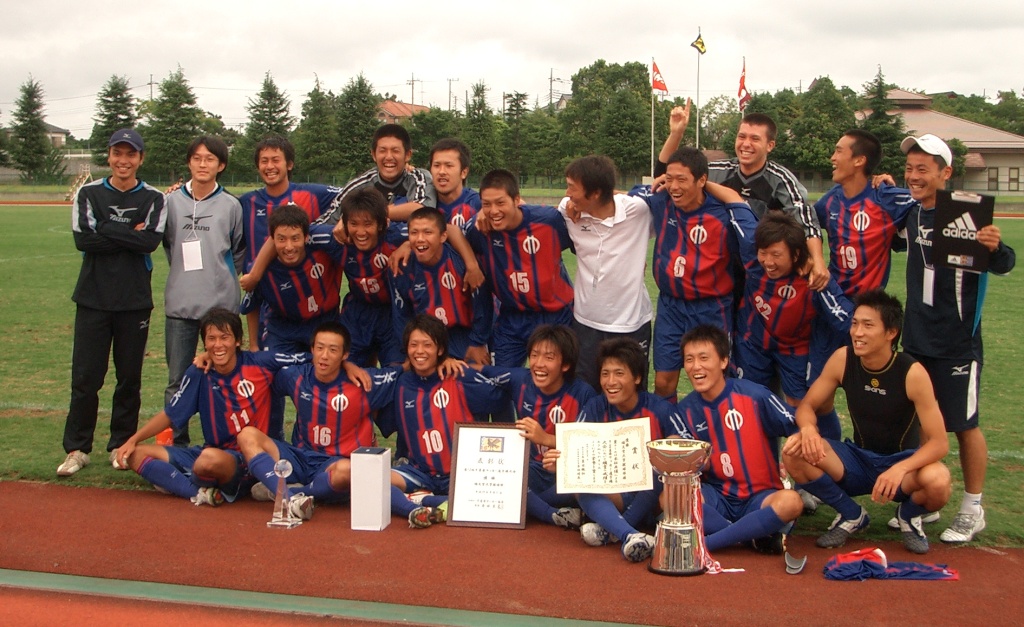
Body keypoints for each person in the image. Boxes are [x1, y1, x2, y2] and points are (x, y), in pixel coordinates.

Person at [895, 134, 1015, 543]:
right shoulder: (910, 214)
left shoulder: (966, 213)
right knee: (920, 424)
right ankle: (927, 500)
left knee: (964, 425)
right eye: (910, 169)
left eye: (923, 169)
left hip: (957, 341)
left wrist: (995, 248)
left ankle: (973, 508)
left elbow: (1005, 261)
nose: (914, 176)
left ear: (945, 173)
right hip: (915, 338)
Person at [782, 290, 951, 554]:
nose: (857, 332)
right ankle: (851, 514)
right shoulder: (843, 358)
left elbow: (940, 444)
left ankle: (908, 516)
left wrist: (900, 468)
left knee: (939, 480)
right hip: (857, 460)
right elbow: (807, 406)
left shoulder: (912, 373)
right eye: (855, 324)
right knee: (794, 451)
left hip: (901, 467)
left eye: (868, 325)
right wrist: (808, 429)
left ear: (891, 332)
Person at [112, 308, 306, 507]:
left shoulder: (261, 364)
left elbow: (306, 358)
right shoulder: (198, 372)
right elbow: (171, 413)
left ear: (238, 340)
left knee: (207, 462)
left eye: (225, 337)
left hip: (244, 458)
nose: (218, 345)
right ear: (205, 343)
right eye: (211, 339)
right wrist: (133, 440)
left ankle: (182, 483)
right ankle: (200, 492)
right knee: (136, 455)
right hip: (210, 450)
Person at [59, 128, 167, 477]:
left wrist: (106, 228)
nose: (124, 161)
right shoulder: (89, 193)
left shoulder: (153, 198)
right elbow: (83, 241)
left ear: (140, 158)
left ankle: (121, 445)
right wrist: (127, 233)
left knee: (129, 379)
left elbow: (149, 242)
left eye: (130, 154)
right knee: (86, 378)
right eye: (117, 154)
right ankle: (77, 449)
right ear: (109, 156)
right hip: (93, 298)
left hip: (134, 301)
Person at [656, 101, 828, 289]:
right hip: (720, 267)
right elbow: (666, 175)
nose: (746, 144)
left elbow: (807, 222)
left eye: (755, 139)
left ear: (770, 145)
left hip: (760, 270)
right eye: (741, 137)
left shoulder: (781, 180)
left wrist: (817, 260)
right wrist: (676, 134)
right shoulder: (718, 170)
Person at [236, 321, 401, 517]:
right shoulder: (294, 376)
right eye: (320, 348)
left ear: (345, 355)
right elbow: (251, 363)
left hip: (334, 464)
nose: (324, 356)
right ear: (312, 349)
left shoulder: (363, 381)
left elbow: (407, 370)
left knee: (349, 470)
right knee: (247, 435)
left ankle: (293, 492)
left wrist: (445, 361)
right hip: (299, 458)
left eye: (333, 350)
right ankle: (290, 495)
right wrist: (210, 356)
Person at [630, 150, 758, 401]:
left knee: (714, 380)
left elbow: (753, 243)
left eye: (682, 180)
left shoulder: (723, 213)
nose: (674, 187)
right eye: (670, 179)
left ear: (701, 180)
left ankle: (718, 435)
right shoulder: (662, 200)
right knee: (665, 381)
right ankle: (669, 437)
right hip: (671, 307)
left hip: (711, 307)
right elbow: (620, 199)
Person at [669, 324, 803, 554]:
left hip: (760, 497)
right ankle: (749, 536)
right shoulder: (684, 412)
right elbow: (694, 467)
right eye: (689, 360)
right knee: (671, 497)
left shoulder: (754, 395)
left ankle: (710, 542)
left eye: (703, 358)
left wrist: (793, 448)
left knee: (792, 502)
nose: (696, 366)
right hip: (718, 497)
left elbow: (797, 426)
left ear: (723, 361)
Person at [562, 339, 687, 563]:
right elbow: (574, 449)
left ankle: (613, 530)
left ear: (637, 377)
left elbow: (687, 449)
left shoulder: (661, 409)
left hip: (654, 498)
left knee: (660, 463)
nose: (610, 381)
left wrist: (674, 445)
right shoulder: (595, 407)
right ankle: (630, 534)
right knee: (579, 485)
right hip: (616, 493)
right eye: (605, 374)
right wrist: (561, 460)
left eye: (619, 373)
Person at [732, 210, 853, 438]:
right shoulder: (752, 252)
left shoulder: (813, 278)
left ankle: (834, 454)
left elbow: (846, 318)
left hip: (795, 347)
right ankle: (761, 466)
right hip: (753, 342)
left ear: (796, 254)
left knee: (804, 405)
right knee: (747, 402)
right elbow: (735, 204)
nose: (768, 261)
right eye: (764, 253)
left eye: (776, 255)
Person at [382, 315, 506, 527]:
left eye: (427, 345)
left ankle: (421, 501)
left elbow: (499, 396)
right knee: (371, 479)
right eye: (413, 345)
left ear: (440, 350)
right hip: (420, 472)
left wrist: (465, 368)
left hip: (461, 475)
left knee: (498, 500)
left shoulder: (458, 375)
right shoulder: (401, 384)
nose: (419, 351)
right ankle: (421, 509)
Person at [161, 135, 244, 448]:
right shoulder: (170, 203)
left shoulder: (231, 206)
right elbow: (169, 247)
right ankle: (176, 445)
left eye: (210, 159)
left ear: (220, 165)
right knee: (177, 381)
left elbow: (237, 253)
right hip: (180, 306)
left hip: (220, 308)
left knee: (222, 380)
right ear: (189, 162)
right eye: (197, 158)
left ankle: (224, 446)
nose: (202, 164)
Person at [475, 325, 597, 527]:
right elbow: (483, 371)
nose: (538, 364)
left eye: (549, 358)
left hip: (566, 475)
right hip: (533, 472)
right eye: (534, 355)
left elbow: (593, 446)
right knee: (499, 476)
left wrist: (547, 439)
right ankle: (554, 515)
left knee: (580, 487)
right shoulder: (520, 380)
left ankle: (536, 507)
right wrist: (451, 364)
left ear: (565, 364)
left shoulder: (583, 394)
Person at [560, 155, 654, 392]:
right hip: (585, 322)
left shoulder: (638, 211)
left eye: (572, 187)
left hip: (630, 323)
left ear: (595, 194)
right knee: (585, 391)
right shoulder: (568, 210)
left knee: (630, 393)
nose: (567, 194)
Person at [237, 135, 340, 349]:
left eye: (276, 160)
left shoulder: (312, 194)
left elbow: (355, 197)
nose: (270, 166)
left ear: (289, 164)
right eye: (264, 161)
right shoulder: (247, 202)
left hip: (317, 303)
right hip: (273, 309)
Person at [466, 169, 575, 367]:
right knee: (501, 382)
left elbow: (584, 244)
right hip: (512, 317)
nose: (494, 211)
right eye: (487, 204)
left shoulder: (549, 221)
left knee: (559, 381)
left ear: (517, 200)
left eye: (500, 203)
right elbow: (451, 233)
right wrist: (472, 265)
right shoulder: (480, 230)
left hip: (556, 316)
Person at [814, 129, 915, 297]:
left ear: (859, 160)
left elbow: (930, 200)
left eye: (839, 151)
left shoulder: (884, 197)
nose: (833, 157)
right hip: (832, 300)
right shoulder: (830, 200)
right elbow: (806, 227)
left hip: (866, 306)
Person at [241, 204, 344, 356]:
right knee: (274, 371)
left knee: (326, 371)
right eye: (281, 239)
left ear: (306, 237)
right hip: (283, 327)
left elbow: (353, 233)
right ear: (272, 239)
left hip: (325, 322)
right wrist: (254, 346)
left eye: (295, 238)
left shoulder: (325, 245)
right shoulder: (262, 268)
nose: (289, 247)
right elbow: (252, 305)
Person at [391, 207, 491, 363]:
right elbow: (401, 315)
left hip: (465, 337)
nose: (420, 239)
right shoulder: (402, 268)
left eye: (428, 233)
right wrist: (408, 350)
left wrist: (478, 343)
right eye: (414, 233)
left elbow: (482, 304)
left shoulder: (463, 262)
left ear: (443, 236)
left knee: (474, 381)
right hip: (426, 340)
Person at [321, 123, 436, 228]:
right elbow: (322, 224)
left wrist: (365, 214)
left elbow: (425, 210)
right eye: (382, 151)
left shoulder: (418, 177)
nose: (389, 157)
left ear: (407, 155)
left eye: (395, 151)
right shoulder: (359, 186)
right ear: (374, 155)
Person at [429, 138, 480, 228]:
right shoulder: (422, 203)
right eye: (436, 165)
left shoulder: (478, 204)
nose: (441, 172)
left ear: (464, 172)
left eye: (449, 166)